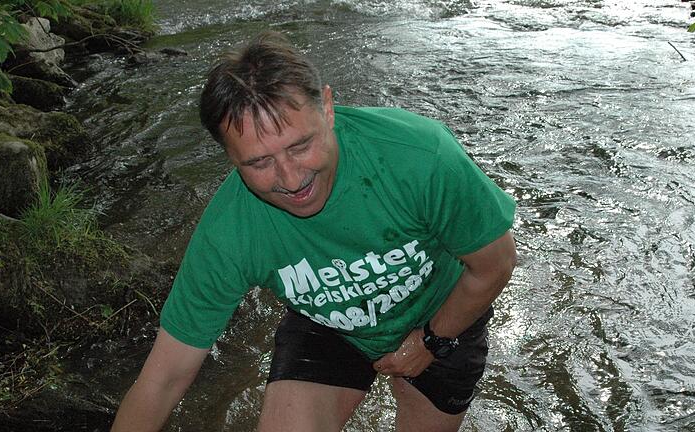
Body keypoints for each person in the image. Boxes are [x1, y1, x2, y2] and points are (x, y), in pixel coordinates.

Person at [111, 30, 517, 432]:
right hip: (329, 320)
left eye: (300, 145)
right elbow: (162, 380)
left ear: (327, 107)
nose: (290, 179)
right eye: (258, 163)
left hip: (442, 307)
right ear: (230, 157)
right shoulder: (230, 231)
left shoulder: (419, 156)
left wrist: (431, 340)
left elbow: (494, 264)